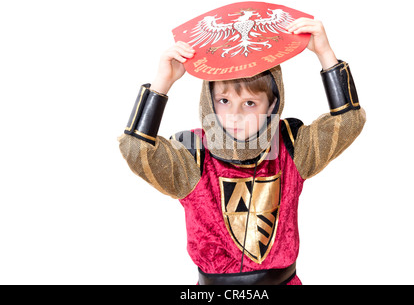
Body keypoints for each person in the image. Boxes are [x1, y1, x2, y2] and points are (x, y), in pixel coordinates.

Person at [118, 17, 366, 285]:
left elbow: (349, 121)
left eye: (249, 102)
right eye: (224, 101)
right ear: (209, 100)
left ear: (272, 105)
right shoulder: (191, 156)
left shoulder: (293, 149)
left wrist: (325, 54)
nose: (235, 114)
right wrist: (161, 84)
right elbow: (135, 148)